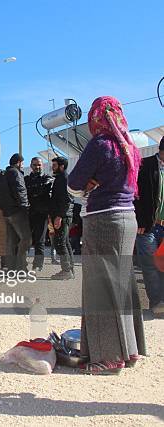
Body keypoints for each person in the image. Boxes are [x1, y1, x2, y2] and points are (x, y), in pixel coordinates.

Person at [68, 96, 146, 374]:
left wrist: (86, 186)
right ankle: (130, 349)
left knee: (100, 287)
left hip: (103, 219)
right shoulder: (130, 147)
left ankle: (109, 356)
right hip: (127, 217)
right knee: (122, 284)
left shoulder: (100, 145)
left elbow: (74, 183)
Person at [134, 136, 164, 315]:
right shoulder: (145, 165)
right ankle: (157, 302)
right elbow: (134, 194)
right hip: (148, 226)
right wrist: (139, 220)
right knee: (150, 265)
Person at [0, 153, 31, 272]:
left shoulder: (1, 176)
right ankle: (22, 268)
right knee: (26, 239)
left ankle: (10, 268)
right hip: (18, 211)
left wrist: (4, 208)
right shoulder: (15, 173)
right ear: (19, 162)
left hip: (7, 213)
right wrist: (25, 207)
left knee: (11, 241)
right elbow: (20, 190)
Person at [24, 157, 53, 271]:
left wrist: (34, 191)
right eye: (35, 165)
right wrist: (36, 190)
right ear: (31, 166)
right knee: (25, 240)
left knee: (39, 241)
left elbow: (44, 190)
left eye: (39, 165)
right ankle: (22, 264)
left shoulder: (47, 178)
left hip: (41, 214)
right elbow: (25, 192)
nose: (37, 167)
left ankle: (38, 265)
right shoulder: (26, 179)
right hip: (28, 213)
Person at [50, 156, 75, 279]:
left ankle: (66, 271)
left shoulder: (64, 178)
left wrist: (59, 216)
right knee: (65, 242)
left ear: (61, 166)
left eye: (54, 165)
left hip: (63, 216)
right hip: (63, 215)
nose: (52, 168)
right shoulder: (61, 178)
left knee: (59, 242)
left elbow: (67, 199)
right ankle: (70, 270)